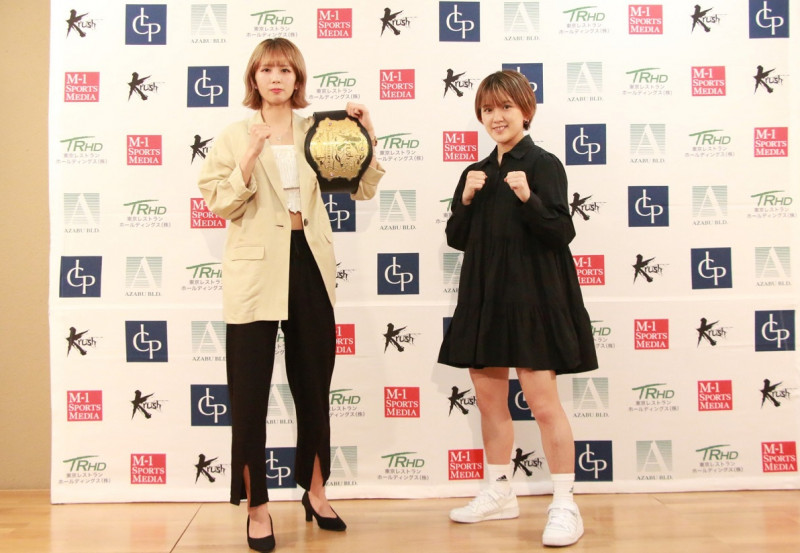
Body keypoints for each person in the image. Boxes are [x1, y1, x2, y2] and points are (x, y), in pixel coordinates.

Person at [197, 38, 385, 552]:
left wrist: (366, 134)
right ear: (253, 78)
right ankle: (257, 506)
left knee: (314, 387)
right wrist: (250, 155)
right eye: (266, 70)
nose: (276, 78)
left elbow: (362, 187)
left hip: (310, 264)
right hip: (255, 271)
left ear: (297, 78)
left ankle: (316, 492)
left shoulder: (318, 130)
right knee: (249, 393)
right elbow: (220, 203)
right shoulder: (233, 135)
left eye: (285, 70)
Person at [438, 70, 598, 547]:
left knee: (543, 404)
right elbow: (457, 238)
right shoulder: (475, 171)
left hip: (533, 297)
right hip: (485, 296)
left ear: (525, 110)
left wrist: (528, 197)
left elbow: (561, 232)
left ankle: (565, 503)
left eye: (506, 107)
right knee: (490, 402)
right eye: (488, 109)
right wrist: (466, 199)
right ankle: (499, 491)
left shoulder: (544, 164)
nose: (497, 116)